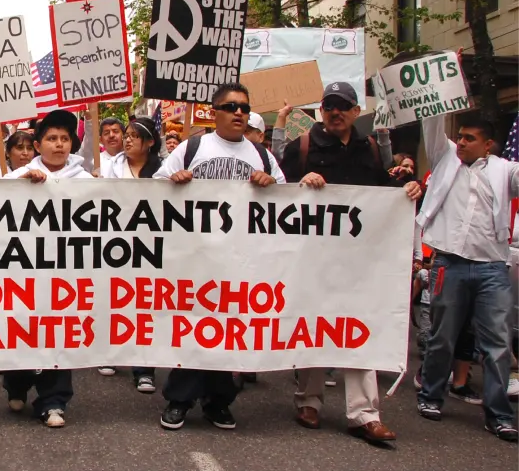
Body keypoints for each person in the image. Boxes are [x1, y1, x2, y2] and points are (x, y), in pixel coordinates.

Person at [280, 82, 422, 444]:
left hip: (360, 263)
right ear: (321, 111)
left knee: (359, 329)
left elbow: (383, 193)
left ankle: (365, 414)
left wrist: (408, 189)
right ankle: (308, 401)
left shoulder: (371, 149)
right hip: (311, 259)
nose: (335, 112)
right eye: (329, 106)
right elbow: (277, 192)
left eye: (342, 106)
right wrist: (300, 182)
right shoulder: (302, 147)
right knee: (312, 327)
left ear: (356, 111)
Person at [153, 82, 283, 433]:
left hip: (240, 263)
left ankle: (218, 402)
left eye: (243, 106)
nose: (239, 112)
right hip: (194, 259)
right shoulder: (193, 147)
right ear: (214, 112)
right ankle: (179, 400)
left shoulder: (262, 155)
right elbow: (153, 190)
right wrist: (173, 180)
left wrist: (270, 182)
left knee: (227, 333)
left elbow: (287, 199)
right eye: (230, 107)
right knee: (193, 328)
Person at [0, 109, 90, 428]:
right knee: (22, 330)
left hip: (65, 276)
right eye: (51, 138)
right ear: (38, 145)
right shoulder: (14, 177)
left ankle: (53, 401)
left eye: (64, 139)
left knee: (59, 333)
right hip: (22, 276)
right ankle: (16, 383)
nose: (58, 144)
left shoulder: (88, 180)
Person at [415, 112, 519, 442]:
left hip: (492, 269)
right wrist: (439, 92)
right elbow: (431, 121)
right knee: (442, 336)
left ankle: (499, 415)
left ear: (488, 145)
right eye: (459, 136)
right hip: (450, 264)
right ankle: (430, 397)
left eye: (469, 138)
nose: (460, 142)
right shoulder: (445, 157)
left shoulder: (506, 170)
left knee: (497, 345)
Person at [97, 116, 164, 391]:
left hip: (150, 247)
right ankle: (110, 352)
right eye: (126, 134)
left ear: (149, 142)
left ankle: (144, 367)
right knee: (115, 300)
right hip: (116, 244)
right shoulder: (112, 167)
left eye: (134, 136)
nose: (126, 139)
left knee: (145, 305)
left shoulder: (164, 170)